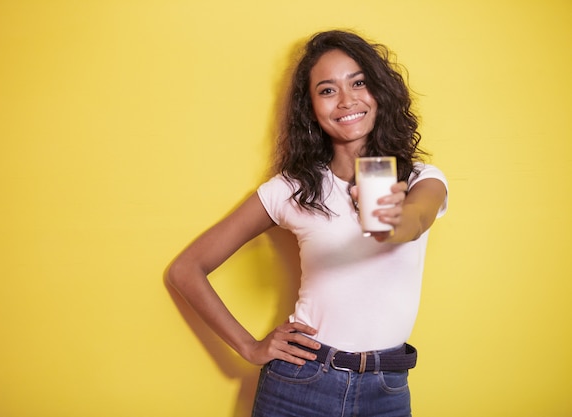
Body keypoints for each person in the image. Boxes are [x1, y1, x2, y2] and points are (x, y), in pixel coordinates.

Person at [166, 29, 448, 417]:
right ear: (311, 107)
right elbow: (186, 270)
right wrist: (250, 347)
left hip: (387, 389)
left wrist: (393, 219)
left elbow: (416, 219)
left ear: (379, 92)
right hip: (300, 385)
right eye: (327, 90)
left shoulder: (420, 179)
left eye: (359, 82)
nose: (347, 99)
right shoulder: (291, 190)